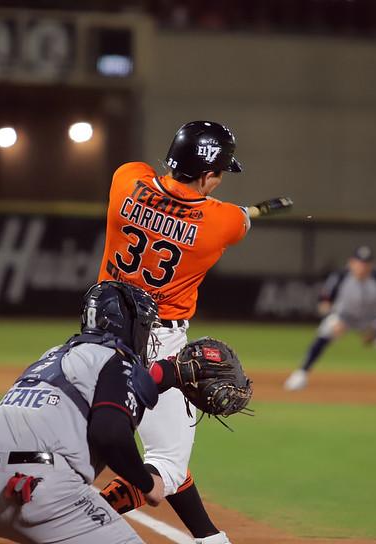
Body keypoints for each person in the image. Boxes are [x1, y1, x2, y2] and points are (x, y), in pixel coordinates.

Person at [97, 121, 291, 544]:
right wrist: (242, 211)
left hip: (98, 332)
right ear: (206, 175)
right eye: (219, 174)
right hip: (157, 343)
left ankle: (208, 537)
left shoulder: (126, 178)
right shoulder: (221, 222)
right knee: (165, 464)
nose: (219, 182)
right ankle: (80, 515)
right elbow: (237, 220)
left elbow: (158, 188)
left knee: (132, 443)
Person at [0, 281, 165, 544]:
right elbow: (110, 434)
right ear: (126, 323)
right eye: (145, 325)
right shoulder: (114, 358)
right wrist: (147, 484)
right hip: (37, 493)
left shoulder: (51, 356)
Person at [284, 245, 376, 395]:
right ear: (351, 262)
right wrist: (334, 320)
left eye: (366, 263)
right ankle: (300, 375)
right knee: (322, 336)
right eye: (359, 262)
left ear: (371, 265)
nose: (362, 266)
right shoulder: (340, 277)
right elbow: (324, 303)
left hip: (372, 319)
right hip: (343, 317)